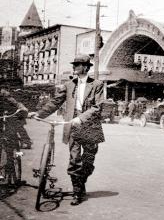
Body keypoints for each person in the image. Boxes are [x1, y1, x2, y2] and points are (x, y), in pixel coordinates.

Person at [28, 54, 106, 206]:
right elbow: (55, 101)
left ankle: (81, 182)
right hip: (73, 126)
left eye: (77, 64)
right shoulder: (69, 84)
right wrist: (39, 114)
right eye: (74, 64)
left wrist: (81, 118)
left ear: (86, 67)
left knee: (88, 162)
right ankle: (77, 192)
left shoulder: (97, 84)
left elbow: (98, 107)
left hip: (89, 126)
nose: (74, 67)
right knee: (75, 160)